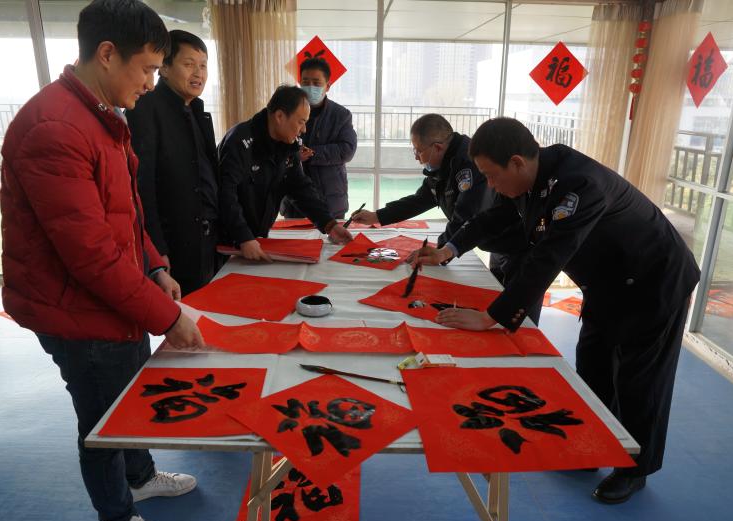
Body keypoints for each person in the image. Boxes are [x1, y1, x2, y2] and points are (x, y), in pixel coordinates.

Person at [415, 117, 700, 504]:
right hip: (606, 281)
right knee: (593, 364)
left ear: (516, 162)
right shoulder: (531, 177)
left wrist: (491, 316)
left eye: (491, 175)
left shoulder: (579, 184)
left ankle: (635, 470)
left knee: (639, 380)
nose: (491, 185)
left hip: (655, 280)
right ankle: (594, 444)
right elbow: (492, 218)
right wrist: (449, 249)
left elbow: (548, 257)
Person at [0, 2, 204, 521]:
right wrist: (166, 316)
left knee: (128, 397)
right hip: (77, 310)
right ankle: (118, 518)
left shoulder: (100, 115)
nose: (150, 83)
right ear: (108, 54)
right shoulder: (54, 127)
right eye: (148, 69)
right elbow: (89, 254)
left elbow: (126, 214)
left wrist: (154, 267)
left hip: (115, 299)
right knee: (102, 423)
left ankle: (141, 477)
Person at [351, 113, 540, 322]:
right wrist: (378, 216)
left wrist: (442, 251)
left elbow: (466, 213)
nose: (416, 157)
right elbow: (424, 200)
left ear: (438, 147)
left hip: (521, 248)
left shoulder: (468, 164)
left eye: (418, 150)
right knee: (496, 303)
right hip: (498, 243)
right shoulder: (444, 165)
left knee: (519, 320)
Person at [126, 29, 221, 295]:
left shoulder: (196, 110)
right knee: (183, 314)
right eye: (189, 64)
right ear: (164, 68)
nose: (198, 73)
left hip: (206, 240)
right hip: (173, 245)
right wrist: (157, 250)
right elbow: (142, 186)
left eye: (203, 66)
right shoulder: (146, 108)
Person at [218, 85, 352, 261]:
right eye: (301, 122)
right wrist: (243, 237)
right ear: (280, 116)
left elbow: (300, 188)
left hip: (256, 239)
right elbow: (225, 195)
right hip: (229, 243)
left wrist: (329, 224)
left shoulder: (288, 145)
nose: (304, 130)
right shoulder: (239, 142)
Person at [280, 57, 357, 219]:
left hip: (331, 201)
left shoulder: (340, 115)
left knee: (333, 234)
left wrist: (312, 153)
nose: (310, 87)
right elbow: (275, 143)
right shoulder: (287, 111)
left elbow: (347, 150)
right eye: (305, 82)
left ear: (327, 86)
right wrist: (294, 155)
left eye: (316, 83)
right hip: (294, 202)